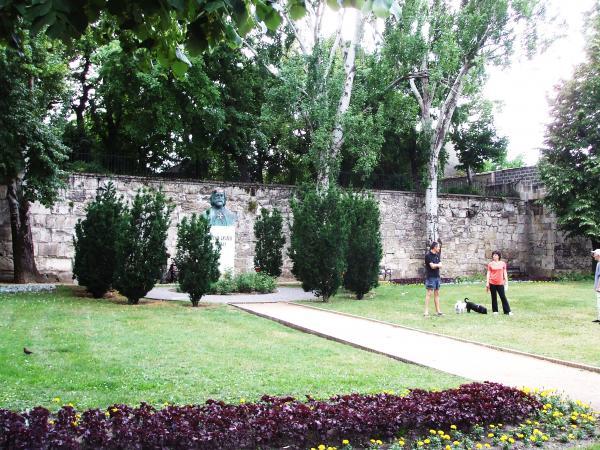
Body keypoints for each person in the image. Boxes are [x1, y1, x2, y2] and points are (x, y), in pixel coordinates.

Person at [486, 250, 512, 315]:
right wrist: (487, 282)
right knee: (493, 297)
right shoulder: (490, 264)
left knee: (503, 297)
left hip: (500, 283)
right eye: (493, 255)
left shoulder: (503, 263)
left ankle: (507, 311)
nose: (494, 256)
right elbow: (488, 273)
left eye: (495, 255)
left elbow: (505, 272)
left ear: (498, 256)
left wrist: (506, 281)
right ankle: (495, 311)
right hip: (492, 282)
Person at [424, 241, 443, 316]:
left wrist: (437, 265)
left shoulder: (437, 255)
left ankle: (438, 311)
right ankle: (426, 311)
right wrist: (438, 265)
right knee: (429, 294)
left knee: (437, 294)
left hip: (437, 277)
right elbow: (432, 266)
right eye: (438, 247)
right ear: (434, 247)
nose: (439, 248)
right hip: (430, 277)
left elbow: (441, 265)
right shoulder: (428, 256)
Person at [592, 249, 600, 324]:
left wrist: (598, 287)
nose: (593, 256)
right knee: (598, 303)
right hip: (598, 286)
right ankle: (599, 318)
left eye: (594, 254)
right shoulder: (598, 263)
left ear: (598, 255)